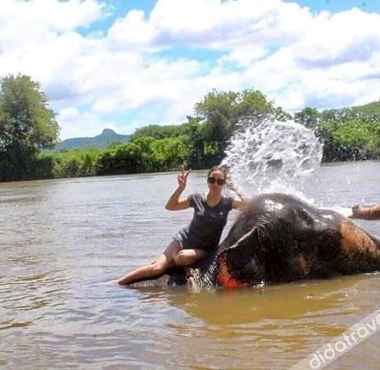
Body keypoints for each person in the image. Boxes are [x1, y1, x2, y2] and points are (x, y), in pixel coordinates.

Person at [117, 165, 248, 286]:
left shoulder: (228, 203)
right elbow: (170, 206)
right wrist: (180, 188)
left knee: (181, 257)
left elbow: (250, 206)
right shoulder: (197, 198)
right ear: (207, 180)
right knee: (157, 268)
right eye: (212, 180)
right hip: (184, 238)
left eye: (220, 182)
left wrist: (235, 187)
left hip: (205, 248)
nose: (215, 184)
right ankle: (117, 283)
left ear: (224, 184)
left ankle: (170, 263)